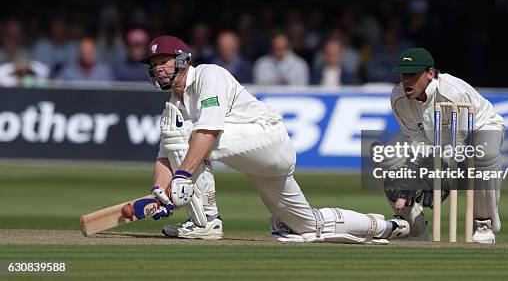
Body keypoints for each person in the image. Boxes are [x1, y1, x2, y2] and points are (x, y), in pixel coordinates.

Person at [142, 35, 410, 243]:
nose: (159, 70)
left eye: (163, 62)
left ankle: (205, 222)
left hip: (268, 140)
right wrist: (158, 192)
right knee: (302, 225)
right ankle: (386, 226)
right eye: (154, 66)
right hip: (255, 158)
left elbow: (208, 133)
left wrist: (182, 177)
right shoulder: (173, 105)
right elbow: (166, 154)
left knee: (191, 136)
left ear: (183, 59)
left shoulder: (209, 75)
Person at [382, 47, 505, 244]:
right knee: (389, 158)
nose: (406, 81)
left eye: (413, 75)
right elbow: (416, 138)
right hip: (436, 140)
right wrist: (412, 174)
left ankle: (485, 223)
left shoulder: (453, 93)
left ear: (429, 74)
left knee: (484, 154)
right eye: (404, 74)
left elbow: (461, 143)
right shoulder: (398, 98)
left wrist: (441, 174)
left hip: (481, 126)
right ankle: (415, 228)